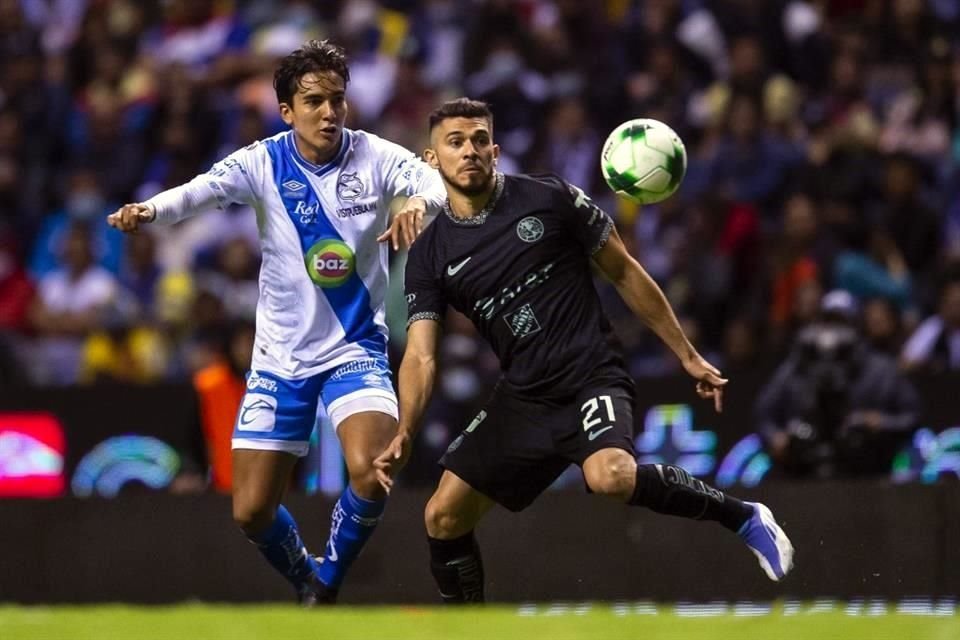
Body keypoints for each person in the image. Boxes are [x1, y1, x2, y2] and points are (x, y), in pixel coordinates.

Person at [374, 98, 795, 603]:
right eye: (456, 142)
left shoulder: (548, 198)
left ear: (496, 149)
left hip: (591, 373)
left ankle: (743, 516)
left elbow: (624, 271)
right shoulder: (429, 253)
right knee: (441, 517)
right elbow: (421, 355)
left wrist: (686, 354)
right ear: (431, 158)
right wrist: (405, 428)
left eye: (480, 140)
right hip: (524, 395)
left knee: (612, 477)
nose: (470, 151)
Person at [108, 40, 445, 604]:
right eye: (314, 101)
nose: (329, 113)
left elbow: (432, 183)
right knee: (251, 510)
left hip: (354, 348)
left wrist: (418, 204)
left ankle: (327, 583)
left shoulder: (376, 156)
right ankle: (305, 580)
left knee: (371, 469)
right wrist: (150, 211)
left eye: (337, 100)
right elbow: (200, 192)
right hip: (280, 359)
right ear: (286, 110)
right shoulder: (261, 162)